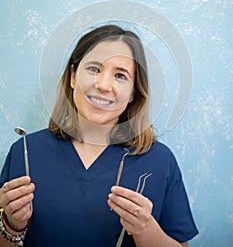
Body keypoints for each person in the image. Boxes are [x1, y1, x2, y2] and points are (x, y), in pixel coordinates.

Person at [0, 24, 198, 247]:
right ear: (73, 77)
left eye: (120, 75)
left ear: (133, 92)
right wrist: (12, 225)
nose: (104, 85)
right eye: (94, 69)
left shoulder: (160, 161)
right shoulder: (25, 151)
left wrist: (144, 228)